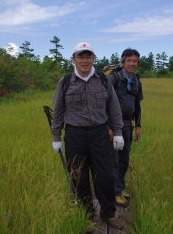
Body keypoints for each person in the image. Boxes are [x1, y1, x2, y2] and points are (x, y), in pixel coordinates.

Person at [51, 42, 125, 232]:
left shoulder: (102, 79)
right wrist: (56, 136)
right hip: (75, 135)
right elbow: (58, 110)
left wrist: (117, 132)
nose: (85, 61)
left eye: (88, 56)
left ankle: (108, 212)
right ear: (73, 59)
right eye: (80, 57)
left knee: (105, 175)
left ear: (93, 59)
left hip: (100, 134)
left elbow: (114, 107)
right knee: (79, 178)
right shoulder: (65, 81)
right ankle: (87, 215)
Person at [109, 48, 143, 207]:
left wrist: (138, 125)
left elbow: (137, 105)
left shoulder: (136, 81)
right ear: (123, 62)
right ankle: (114, 192)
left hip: (128, 124)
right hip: (114, 124)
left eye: (134, 61)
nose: (131, 64)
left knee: (124, 158)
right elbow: (104, 103)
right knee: (113, 159)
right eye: (128, 61)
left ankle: (120, 188)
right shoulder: (114, 78)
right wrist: (108, 126)